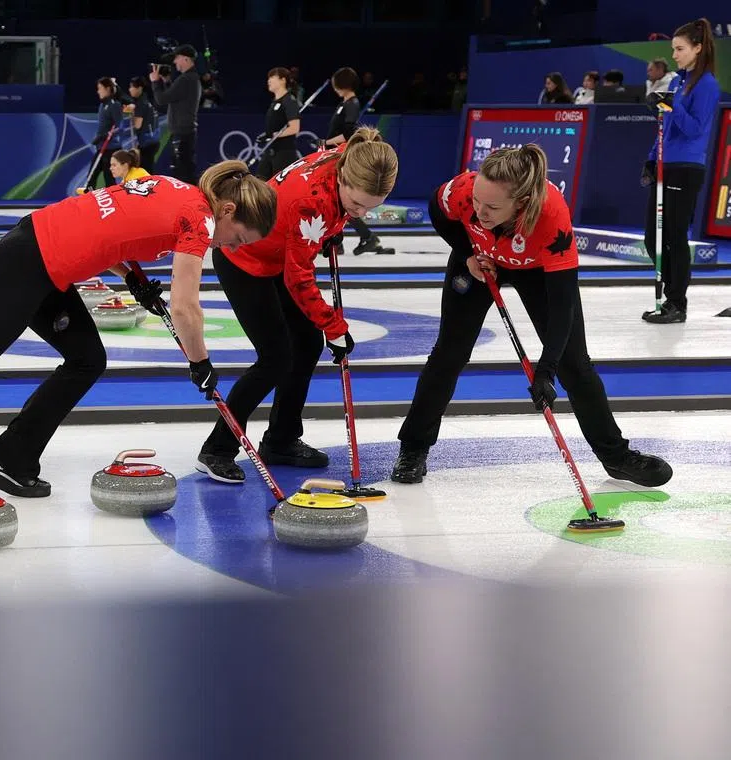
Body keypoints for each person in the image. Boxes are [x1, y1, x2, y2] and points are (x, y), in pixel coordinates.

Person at [0, 162, 279, 517]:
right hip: (26, 266)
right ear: (227, 211)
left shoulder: (173, 187)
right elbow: (186, 307)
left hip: (43, 263)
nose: (234, 248)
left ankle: (10, 458)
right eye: (238, 239)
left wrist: (135, 278)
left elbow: (114, 231)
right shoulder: (197, 221)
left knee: (87, 359)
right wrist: (200, 362)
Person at [390, 145, 673, 488]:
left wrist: (546, 369)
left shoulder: (550, 216)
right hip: (480, 261)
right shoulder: (465, 191)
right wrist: (467, 254)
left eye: (492, 207)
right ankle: (413, 448)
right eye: (477, 201)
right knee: (449, 353)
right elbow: (439, 211)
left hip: (535, 270)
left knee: (574, 365)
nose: (479, 212)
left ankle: (616, 456)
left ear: (520, 203)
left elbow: (563, 302)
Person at [196, 130, 398, 483]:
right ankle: (217, 449)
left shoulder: (348, 155)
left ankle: (281, 440)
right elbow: (299, 279)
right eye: (356, 204)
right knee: (275, 358)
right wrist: (334, 326)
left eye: (371, 207)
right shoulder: (312, 202)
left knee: (305, 344)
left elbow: (307, 246)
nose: (361, 213)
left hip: (277, 254)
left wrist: (337, 221)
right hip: (243, 255)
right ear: (343, 177)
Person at [641, 18, 719, 324]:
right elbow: (666, 125)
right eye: (673, 48)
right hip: (665, 163)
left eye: (680, 48)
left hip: (687, 166)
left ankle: (676, 302)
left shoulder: (707, 84)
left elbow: (694, 128)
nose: (674, 54)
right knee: (653, 239)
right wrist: (650, 158)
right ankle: (670, 297)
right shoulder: (676, 81)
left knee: (673, 235)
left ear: (697, 49)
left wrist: (671, 105)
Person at [320, 67, 388, 257]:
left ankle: (366, 236)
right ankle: (339, 241)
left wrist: (326, 143)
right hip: (334, 153)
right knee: (337, 200)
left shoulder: (352, 103)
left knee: (341, 200)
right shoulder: (345, 103)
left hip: (340, 155)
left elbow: (350, 133)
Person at [150, 43, 202, 184]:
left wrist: (155, 82)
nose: (174, 62)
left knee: (183, 173)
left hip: (182, 132)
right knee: (183, 170)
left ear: (186, 59)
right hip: (184, 131)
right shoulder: (190, 78)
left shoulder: (186, 79)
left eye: (177, 58)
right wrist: (167, 82)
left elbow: (161, 99)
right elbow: (173, 97)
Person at [254, 67, 302, 181]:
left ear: (283, 80)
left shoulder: (289, 100)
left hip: (284, 153)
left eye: (272, 77)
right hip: (271, 150)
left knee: (280, 187)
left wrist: (274, 135)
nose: (268, 81)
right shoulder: (275, 102)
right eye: (268, 78)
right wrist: (267, 135)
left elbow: (295, 128)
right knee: (260, 182)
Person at [89, 77, 123, 190]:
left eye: (100, 88)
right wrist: (99, 138)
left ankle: (114, 201)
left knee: (108, 177)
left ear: (107, 89)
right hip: (101, 147)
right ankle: (89, 200)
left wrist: (106, 135)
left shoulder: (115, 105)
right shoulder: (102, 105)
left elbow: (120, 127)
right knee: (92, 175)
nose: (98, 91)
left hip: (111, 148)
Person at [127, 77, 160, 174]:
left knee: (146, 172)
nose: (130, 89)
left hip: (147, 143)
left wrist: (132, 113)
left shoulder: (141, 103)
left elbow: (137, 125)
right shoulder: (148, 100)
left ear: (139, 88)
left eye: (132, 87)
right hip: (153, 141)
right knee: (147, 170)